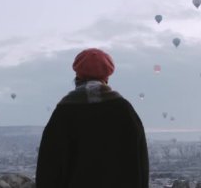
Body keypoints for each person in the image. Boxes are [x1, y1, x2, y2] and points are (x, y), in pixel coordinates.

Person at [36, 48, 149, 188]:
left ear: (77, 77)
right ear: (106, 77)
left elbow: (48, 168)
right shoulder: (125, 110)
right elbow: (141, 164)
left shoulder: (64, 112)